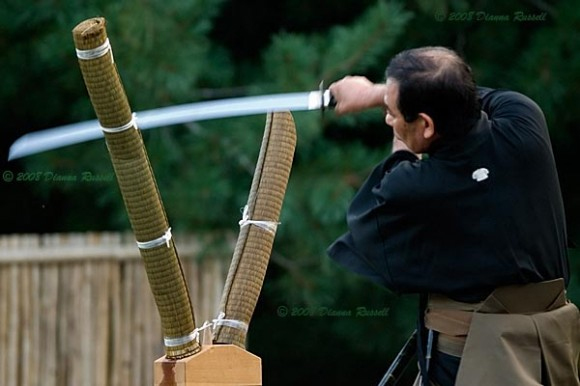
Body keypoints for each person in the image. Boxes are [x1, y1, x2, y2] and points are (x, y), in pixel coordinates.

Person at [327, 46, 579, 385]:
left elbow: (379, 206)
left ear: (426, 125)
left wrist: (384, 109)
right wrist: (379, 94)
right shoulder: (523, 119)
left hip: (474, 361)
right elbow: (462, 97)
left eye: (392, 112)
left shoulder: (417, 187)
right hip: (552, 347)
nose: (388, 118)